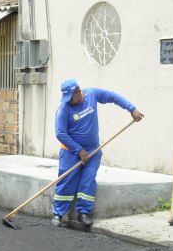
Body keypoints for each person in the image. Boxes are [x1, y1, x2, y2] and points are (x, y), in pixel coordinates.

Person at [52, 79, 144, 227]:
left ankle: (84, 213)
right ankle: (58, 213)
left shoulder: (92, 94)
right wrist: (79, 150)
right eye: (66, 98)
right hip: (70, 152)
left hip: (92, 151)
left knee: (88, 180)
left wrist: (132, 109)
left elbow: (113, 96)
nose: (68, 101)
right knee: (67, 181)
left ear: (78, 91)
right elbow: (60, 133)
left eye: (70, 97)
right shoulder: (64, 109)